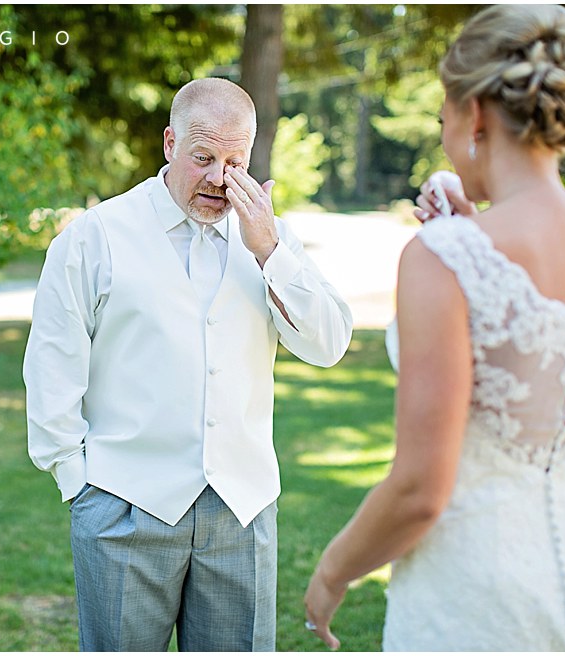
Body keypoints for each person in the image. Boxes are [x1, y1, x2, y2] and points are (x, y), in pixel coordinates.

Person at [303, 5, 565, 651]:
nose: (444, 133)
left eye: (446, 113)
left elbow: (419, 490)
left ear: (478, 114)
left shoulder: (445, 257)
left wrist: (330, 575)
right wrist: (468, 236)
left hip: (467, 587)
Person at [24, 77, 353, 651]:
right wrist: (81, 488)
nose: (219, 177)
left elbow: (328, 344)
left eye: (235, 160)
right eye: (203, 157)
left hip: (241, 512)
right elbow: (53, 370)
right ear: (171, 144)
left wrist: (270, 253)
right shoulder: (93, 238)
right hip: (124, 508)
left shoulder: (270, 238)